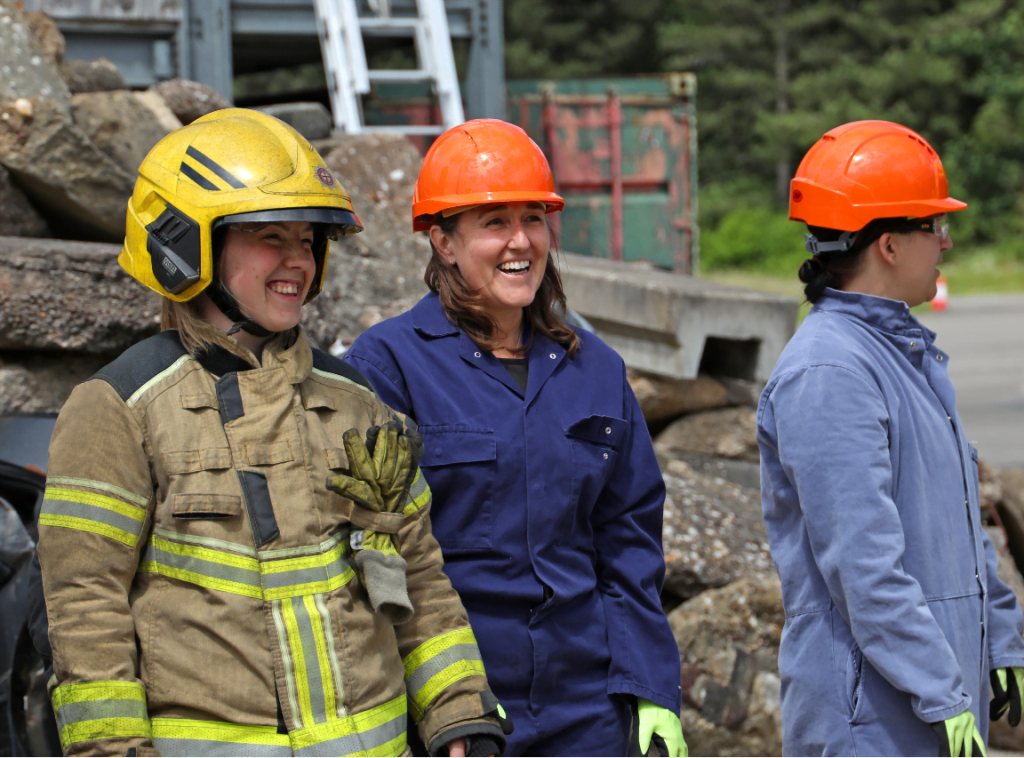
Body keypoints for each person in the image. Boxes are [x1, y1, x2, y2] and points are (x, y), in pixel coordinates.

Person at [34, 108, 508, 758]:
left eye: (309, 239)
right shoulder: (120, 407)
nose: (299, 261)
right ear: (186, 244)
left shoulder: (357, 403)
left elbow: (416, 573)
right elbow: (85, 606)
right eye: (270, 237)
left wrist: (459, 713)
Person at [343, 119, 686, 758]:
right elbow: (375, 555)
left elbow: (628, 543)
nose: (521, 241)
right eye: (494, 222)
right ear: (443, 241)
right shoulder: (387, 366)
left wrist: (649, 687)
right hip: (458, 709)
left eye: (534, 218)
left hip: (588, 710)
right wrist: (439, 702)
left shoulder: (597, 370)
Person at [757, 120, 1024, 757]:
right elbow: (864, 566)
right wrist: (941, 689)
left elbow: (958, 525)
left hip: (931, 702)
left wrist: (1001, 635)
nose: (947, 241)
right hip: (870, 721)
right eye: (933, 226)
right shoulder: (830, 372)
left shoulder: (902, 355)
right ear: (888, 245)